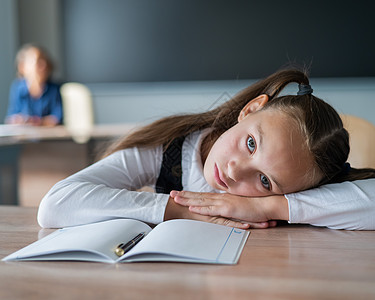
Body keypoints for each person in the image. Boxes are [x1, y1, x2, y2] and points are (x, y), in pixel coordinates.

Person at [37, 68, 375, 230]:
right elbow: (55, 204)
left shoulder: (288, 194)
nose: (234, 171)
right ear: (251, 109)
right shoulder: (169, 148)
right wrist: (185, 211)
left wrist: (270, 207)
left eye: (265, 181)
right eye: (251, 143)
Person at [5, 44, 63, 126]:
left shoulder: (55, 89)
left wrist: (35, 121)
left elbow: (58, 118)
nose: (43, 66)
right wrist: (18, 120)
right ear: (22, 67)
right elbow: (11, 117)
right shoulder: (18, 88)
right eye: (38, 62)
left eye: (45, 61)